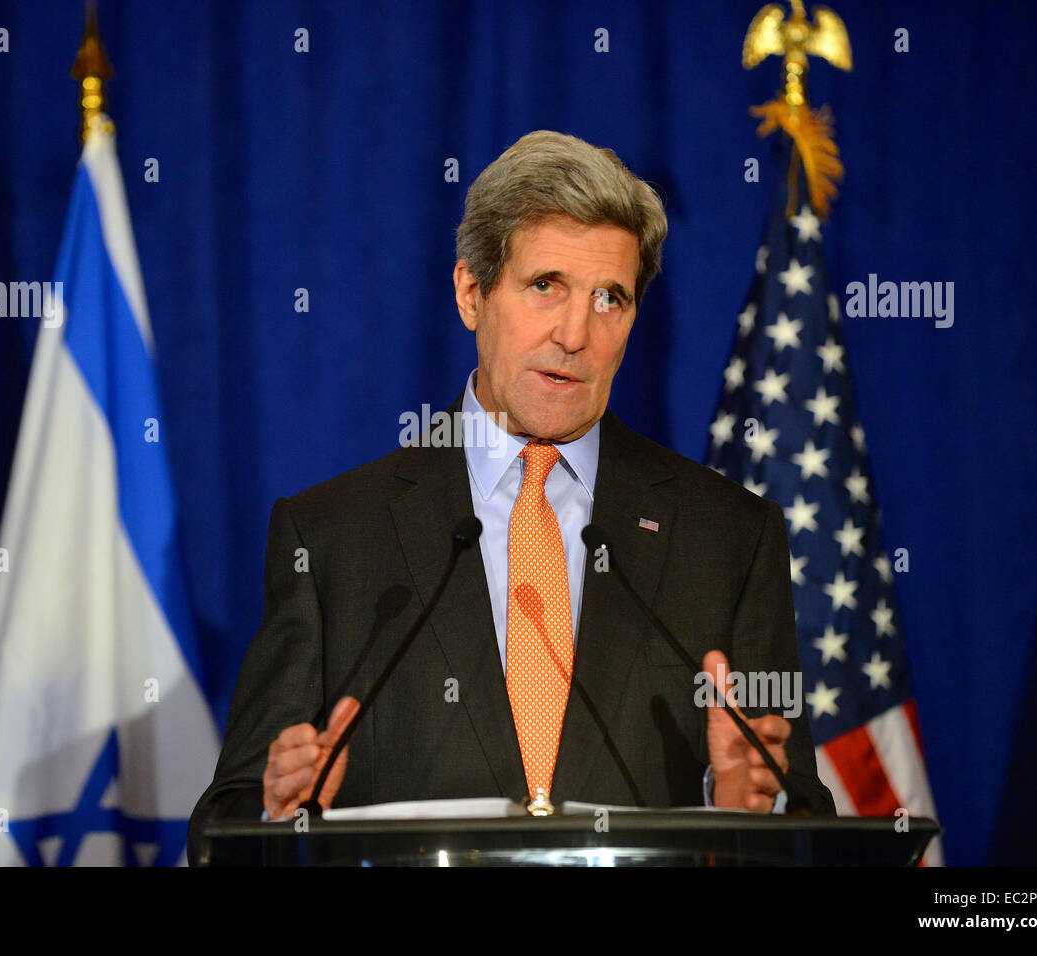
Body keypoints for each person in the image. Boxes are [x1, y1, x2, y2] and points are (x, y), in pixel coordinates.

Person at [188, 130, 834, 863]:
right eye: (545, 286)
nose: (574, 333)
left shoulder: (729, 537)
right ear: (472, 292)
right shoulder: (332, 535)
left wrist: (752, 809)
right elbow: (223, 835)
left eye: (609, 298)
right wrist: (284, 819)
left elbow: (805, 822)